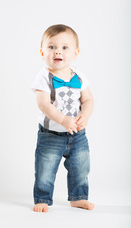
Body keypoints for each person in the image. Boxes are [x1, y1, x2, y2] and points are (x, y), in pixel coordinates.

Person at [31, 24, 94, 212]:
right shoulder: (44, 76)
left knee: (81, 168)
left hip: (78, 135)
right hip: (51, 135)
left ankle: (78, 197)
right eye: (51, 47)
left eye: (65, 47)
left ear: (76, 52)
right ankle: (42, 199)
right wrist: (64, 120)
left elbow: (88, 99)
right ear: (42, 52)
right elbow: (44, 104)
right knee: (45, 169)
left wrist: (85, 115)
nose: (58, 51)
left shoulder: (79, 76)